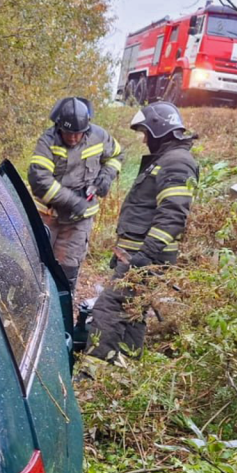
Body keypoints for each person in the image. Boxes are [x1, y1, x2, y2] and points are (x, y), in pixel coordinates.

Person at [88, 101, 198, 361]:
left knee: (109, 307)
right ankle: (126, 364)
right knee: (133, 311)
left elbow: (172, 216)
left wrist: (144, 256)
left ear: (159, 130)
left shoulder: (176, 163)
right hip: (140, 253)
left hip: (148, 257)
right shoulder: (168, 159)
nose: (145, 139)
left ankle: (96, 370)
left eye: (147, 133)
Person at [27, 96, 125, 293]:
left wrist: (106, 175)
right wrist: (72, 201)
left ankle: (63, 307)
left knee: (67, 269)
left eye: (77, 134)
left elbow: (117, 155)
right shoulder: (47, 142)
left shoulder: (99, 136)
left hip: (79, 221)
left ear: (86, 129)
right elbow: (39, 180)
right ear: (59, 126)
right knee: (35, 263)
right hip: (48, 217)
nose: (72, 138)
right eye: (68, 133)